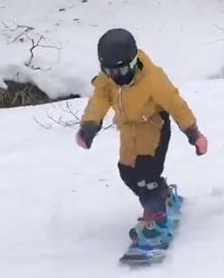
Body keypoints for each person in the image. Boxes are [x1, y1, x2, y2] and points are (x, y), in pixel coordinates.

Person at [76, 28, 208, 249]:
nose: (116, 77)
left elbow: (177, 105)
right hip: (129, 132)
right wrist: (89, 127)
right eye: (110, 71)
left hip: (154, 128)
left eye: (122, 70)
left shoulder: (153, 79)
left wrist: (194, 134)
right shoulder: (106, 81)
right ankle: (161, 194)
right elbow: (97, 103)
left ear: (134, 61)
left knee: (147, 173)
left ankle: (156, 215)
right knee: (127, 171)